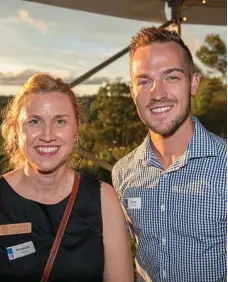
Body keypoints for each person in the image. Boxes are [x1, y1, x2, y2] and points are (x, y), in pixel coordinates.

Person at [112, 27, 226, 282]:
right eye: (144, 81)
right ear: (133, 93)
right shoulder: (123, 173)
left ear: (193, 83)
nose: (158, 93)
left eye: (171, 77)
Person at [0, 73, 134, 282]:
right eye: (34, 121)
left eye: (60, 121)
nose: (47, 135)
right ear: (16, 130)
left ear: (76, 130)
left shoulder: (103, 199)